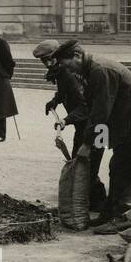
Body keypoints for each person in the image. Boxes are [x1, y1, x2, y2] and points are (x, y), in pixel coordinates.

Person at [54, 40, 131, 232]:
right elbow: (93, 108)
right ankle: (108, 213)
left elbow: (101, 112)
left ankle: (122, 217)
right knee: (116, 166)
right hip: (120, 118)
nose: (69, 71)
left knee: (125, 167)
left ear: (77, 56)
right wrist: (96, 143)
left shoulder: (99, 71)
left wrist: (88, 143)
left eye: (69, 65)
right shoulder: (86, 70)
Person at [35, 38, 105, 211]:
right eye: (44, 61)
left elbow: (85, 107)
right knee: (79, 163)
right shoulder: (61, 72)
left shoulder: (69, 73)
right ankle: (90, 202)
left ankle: (98, 203)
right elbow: (64, 92)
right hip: (85, 126)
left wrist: (66, 120)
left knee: (87, 163)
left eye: (48, 59)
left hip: (97, 127)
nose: (47, 64)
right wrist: (54, 101)